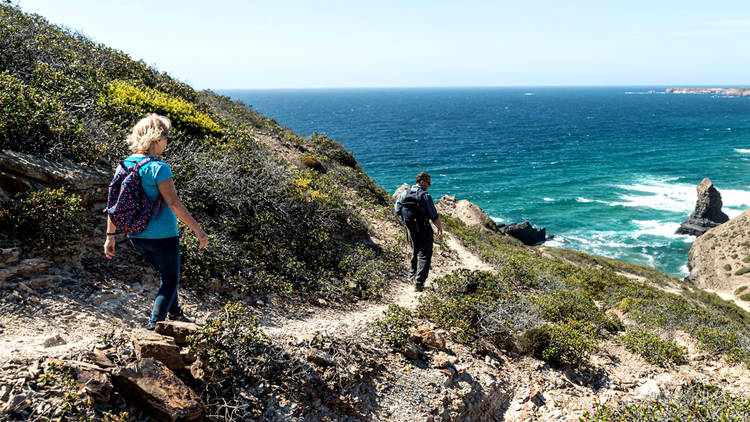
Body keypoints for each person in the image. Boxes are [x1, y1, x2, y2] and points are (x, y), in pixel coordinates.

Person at [103, 114, 208, 330]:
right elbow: (174, 204)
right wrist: (199, 231)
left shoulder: (123, 166)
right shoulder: (159, 168)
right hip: (164, 236)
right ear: (157, 139)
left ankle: (176, 313)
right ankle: (154, 326)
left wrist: (110, 237)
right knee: (170, 280)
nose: (167, 142)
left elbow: (114, 204)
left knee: (166, 274)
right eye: (166, 137)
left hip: (136, 236)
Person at [394, 171, 443, 292]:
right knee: (424, 254)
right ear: (421, 181)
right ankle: (419, 283)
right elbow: (433, 215)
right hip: (424, 227)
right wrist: (439, 227)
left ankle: (412, 277)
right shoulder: (425, 195)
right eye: (428, 182)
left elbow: (397, 209)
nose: (429, 185)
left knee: (415, 251)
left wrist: (407, 222)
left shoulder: (405, 193)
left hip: (410, 228)